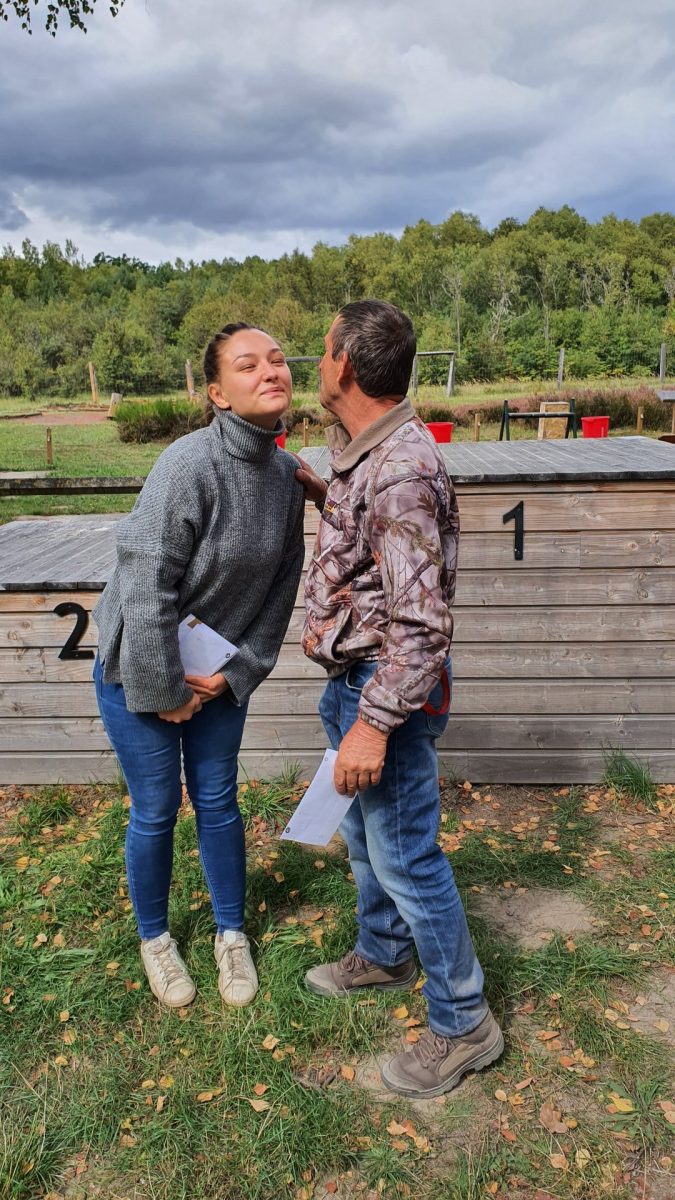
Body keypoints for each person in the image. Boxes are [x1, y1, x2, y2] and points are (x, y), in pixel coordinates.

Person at [298, 300, 503, 1098]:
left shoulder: (399, 471)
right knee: (365, 838)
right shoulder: (368, 458)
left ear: (345, 365)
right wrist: (325, 493)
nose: (316, 363)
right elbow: (379, 549)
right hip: (353, 681)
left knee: (407, 858)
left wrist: (373, 727)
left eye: (322, 351)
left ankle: (464, 1023)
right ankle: (384, 954)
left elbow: (420, 625)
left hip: (382, 692)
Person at [93, 323, 305, 1010]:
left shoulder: (286, 478)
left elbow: (281, 588)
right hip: (138, 665)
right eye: (247, 365)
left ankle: (230, 934)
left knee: (217, 801)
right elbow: (144, 580)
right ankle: (155, 938)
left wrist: (236, 673)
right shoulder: (187, 465)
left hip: (216, 675)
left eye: (277, 359)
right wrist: (162, 691)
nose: (269, 370)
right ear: (216, 393)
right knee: (156, 809)